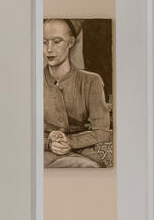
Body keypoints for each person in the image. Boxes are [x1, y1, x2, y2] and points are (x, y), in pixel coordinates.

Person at [42, 18, 113, 168]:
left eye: (57, 42)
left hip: (84, 150)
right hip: (45, 153)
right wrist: (48, 142)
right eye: (44, 42)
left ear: (71, 42)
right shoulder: (32, 81)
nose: (49, 49)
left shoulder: (91, 81)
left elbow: (102, 131)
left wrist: (70, 142)